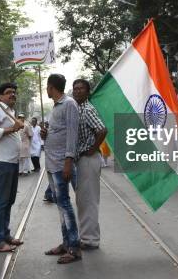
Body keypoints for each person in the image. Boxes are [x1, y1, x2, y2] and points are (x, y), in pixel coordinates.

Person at [41, 74, 81, 264]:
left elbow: (72, 135)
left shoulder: (69, 104)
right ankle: (66, 243)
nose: (46, 90)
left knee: (65, 205)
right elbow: (57, 132)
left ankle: (74, 248)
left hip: (60, 164)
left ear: (51, 87)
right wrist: (45, 134)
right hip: (51, 164)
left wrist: (68, 161)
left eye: (46, 87)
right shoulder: (55, 107)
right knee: (60, 205)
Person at [0, 82, 24, 253]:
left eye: (14, 92)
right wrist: (11, 129)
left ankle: (5, 234)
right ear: (0, 96)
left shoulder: (10, 112)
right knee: (1, 201)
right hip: (1, 162)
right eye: (9, 92)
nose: (12, 95)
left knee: (9, 200)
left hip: (12, 161)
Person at [72, 78, 107, 250]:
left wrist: (92, 149)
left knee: (88, 199)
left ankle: (90, 240)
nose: (77, 91)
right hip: (82, 160)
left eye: (81, 89)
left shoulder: (87, 109)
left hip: (88, 159)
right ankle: (86, 236)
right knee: (82, 200)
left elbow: (102, 130)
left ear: (87, 92)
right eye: (75, 88)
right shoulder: (77, 109)